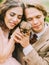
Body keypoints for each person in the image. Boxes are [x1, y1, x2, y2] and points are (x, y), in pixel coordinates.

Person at [0, 0, 23, 65]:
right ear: (4, 13)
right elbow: (1, 59)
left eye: (19, 17)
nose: (15, 20)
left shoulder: (10, 29)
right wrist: (13, 37)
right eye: (12, 15)